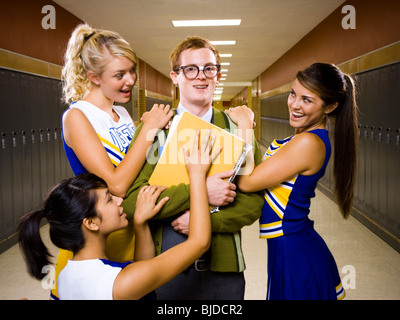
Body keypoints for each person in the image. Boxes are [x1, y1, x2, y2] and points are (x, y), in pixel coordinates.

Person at [122, 36, 264, 300]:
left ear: (218, 75)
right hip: (164, 270)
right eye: (191, 69)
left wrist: (204, 220)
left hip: (223, 273)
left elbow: (253, 203)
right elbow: (130, 203)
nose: (202, 77)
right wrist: (200, 191)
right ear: (175, 77)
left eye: (209, 68)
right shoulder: (155, 129)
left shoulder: (238, 130)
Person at [18, 130, 217, 299]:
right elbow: (199, 242)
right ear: (91, 223)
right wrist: (197, 176)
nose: (120, 200)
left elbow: (141, 271)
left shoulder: (65, 276)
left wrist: (140, 223)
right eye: (109, 199)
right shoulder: (118, 283)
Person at [53, 24, 173, 299]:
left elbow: (141, 167)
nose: (130, 80)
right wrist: (149, 130)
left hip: (134, 225)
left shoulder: (121, 111)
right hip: (103, 235)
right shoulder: (77, 116)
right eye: (119, 74)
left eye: (132, 71)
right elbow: (116, 184)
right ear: (94, 77)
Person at [226, 62, 358, 300]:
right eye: (293, 94)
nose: (295, 105)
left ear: (330, 106)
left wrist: (245, 127)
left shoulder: (308, 143)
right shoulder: (301, 138)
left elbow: (247, 182)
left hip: (295, 250)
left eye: (307, 100)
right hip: (287, 244)